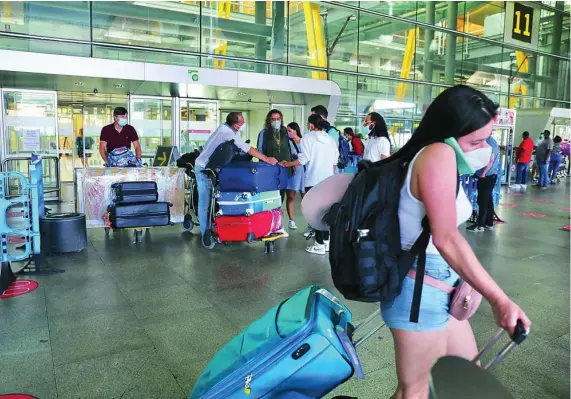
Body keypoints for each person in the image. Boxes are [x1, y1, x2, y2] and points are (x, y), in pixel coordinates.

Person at [194, 112, 278, 248]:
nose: (243, 125)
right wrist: (266, 159)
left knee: (215, 200)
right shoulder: (226, 132)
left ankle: (219, 229)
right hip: (203, 167)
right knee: (205, 201)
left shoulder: (229, 129)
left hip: (212, 167)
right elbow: (246, 148)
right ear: (235, 125)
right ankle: (205, 234)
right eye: (241, 123)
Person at [279, 114, 339, 255]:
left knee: (315, 214)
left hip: (313, 180)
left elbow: (304, 159)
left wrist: (287, 164)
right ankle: (326, 242)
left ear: (311, 125)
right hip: (328, 180)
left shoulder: (308, 138)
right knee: (326, 212)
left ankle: (318, 244)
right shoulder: (329, 139)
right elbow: (335, 162)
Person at [257, 109, 291, 202]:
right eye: (273, 119)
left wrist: (292, 164)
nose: (276, 121)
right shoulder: (264, 133)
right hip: (270, 169)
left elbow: (290, 148)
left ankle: (278, 213)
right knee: (271, 195)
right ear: (269, 120)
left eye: (278, 119)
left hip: (284, 167)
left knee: (282, 194)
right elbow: (260, 151)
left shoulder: (285, 131)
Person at [467, 135, 500, 232]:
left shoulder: (490, 142)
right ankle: (488, 223)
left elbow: (490, 160)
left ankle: (480, 225)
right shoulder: (488, 140)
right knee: (488, 200)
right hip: (488, 175)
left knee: (482, 201)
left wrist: (482, 174)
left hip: (486, 176)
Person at [285, 122, 305, 229]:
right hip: (293, 170)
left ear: (295, 130)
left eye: (289, 130)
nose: (288, 133)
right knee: (291, 196)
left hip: (304, 171)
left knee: (305, 197)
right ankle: (291, 220)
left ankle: (311, 221)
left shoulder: (305, 141)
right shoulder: (287, 143)